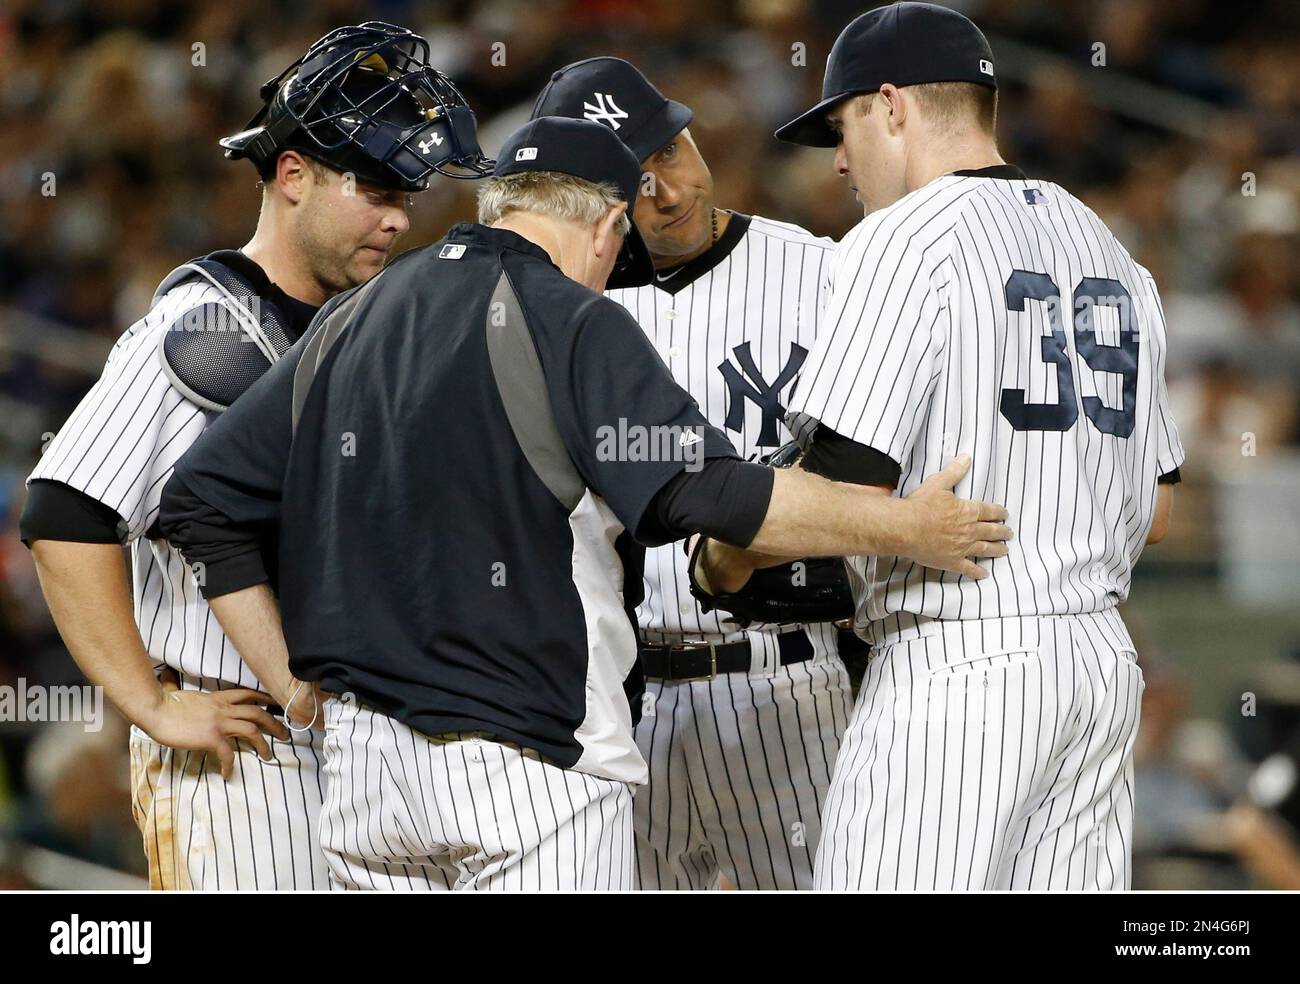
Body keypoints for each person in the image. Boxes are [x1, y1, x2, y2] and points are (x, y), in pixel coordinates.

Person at [154, 115, 1012, 891]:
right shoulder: (569, 317)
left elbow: (199, 501)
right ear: (604, 223)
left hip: (364, 784)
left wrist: (298, 691)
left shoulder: (352, 317)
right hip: (528, 774)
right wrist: (904, 524)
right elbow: (708, 491)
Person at [696, 1, 1185, 891]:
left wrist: (722, 558)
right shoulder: (1111, 246)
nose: (838, 160)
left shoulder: (904, 237)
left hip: (961, 664)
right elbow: (1159, 513)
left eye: (842, 128)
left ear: (891, 105)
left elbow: (847, 487)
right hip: (1101, 668)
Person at [18, 21, 491, 890]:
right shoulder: (201, 329)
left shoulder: (363, 327)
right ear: (294, 175)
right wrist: (155, 705)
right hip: (248, 760)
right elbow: (62, 513)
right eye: (377, 187)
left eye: (407, 194)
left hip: (372, 748)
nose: (397, 216)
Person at [531, 57, 859, 890]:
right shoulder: (563, 305)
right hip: (624, 701)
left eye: (670, 154)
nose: (666, 191)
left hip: (792, 684)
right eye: (633, 181)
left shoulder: (824, 273)